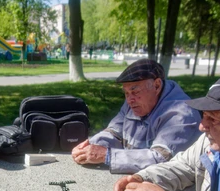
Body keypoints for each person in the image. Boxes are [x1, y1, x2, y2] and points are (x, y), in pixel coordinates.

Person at [71, 59, 201, 174]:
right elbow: (114, 132)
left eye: (135, 91)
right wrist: (90, 146)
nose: (129, 100)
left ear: (156, 85)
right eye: (126, 93)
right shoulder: (135, 101)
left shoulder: (182, 114)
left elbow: (161, 159)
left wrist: (107, 156)